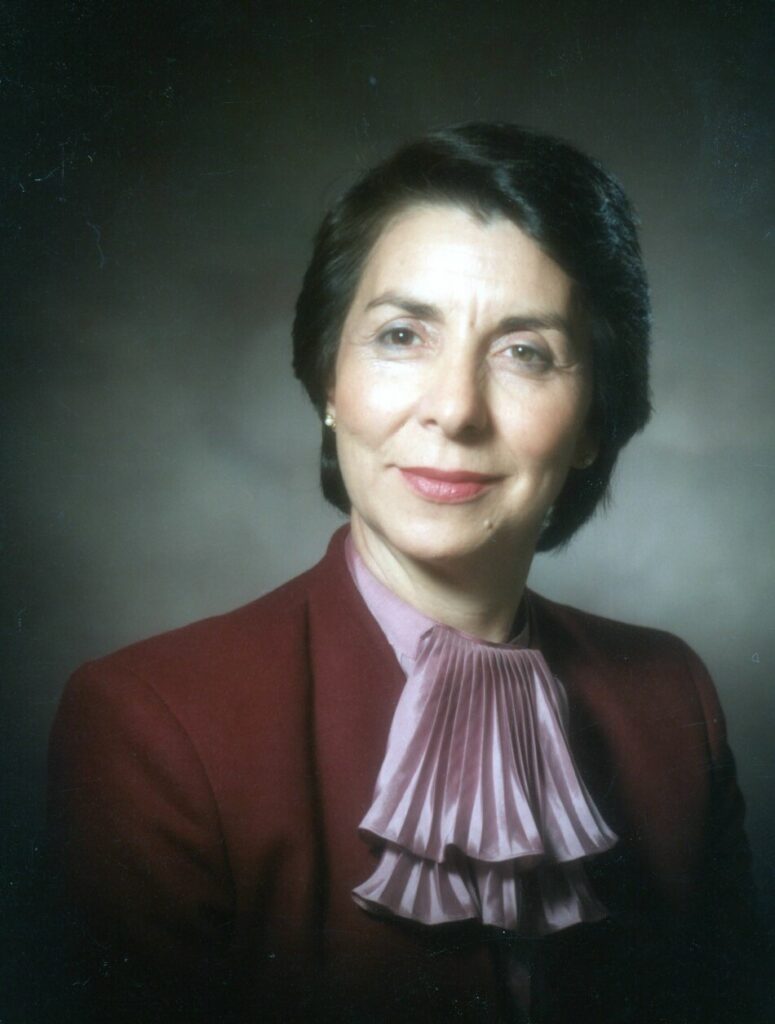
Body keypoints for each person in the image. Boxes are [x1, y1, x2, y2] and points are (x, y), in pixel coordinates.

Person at [48, 123, 764, 1023]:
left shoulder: (673, 699)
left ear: (593, 420)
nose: (455, 409)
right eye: (400, 335)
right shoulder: (148, 723)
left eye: (524, 351)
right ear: (328, 380)